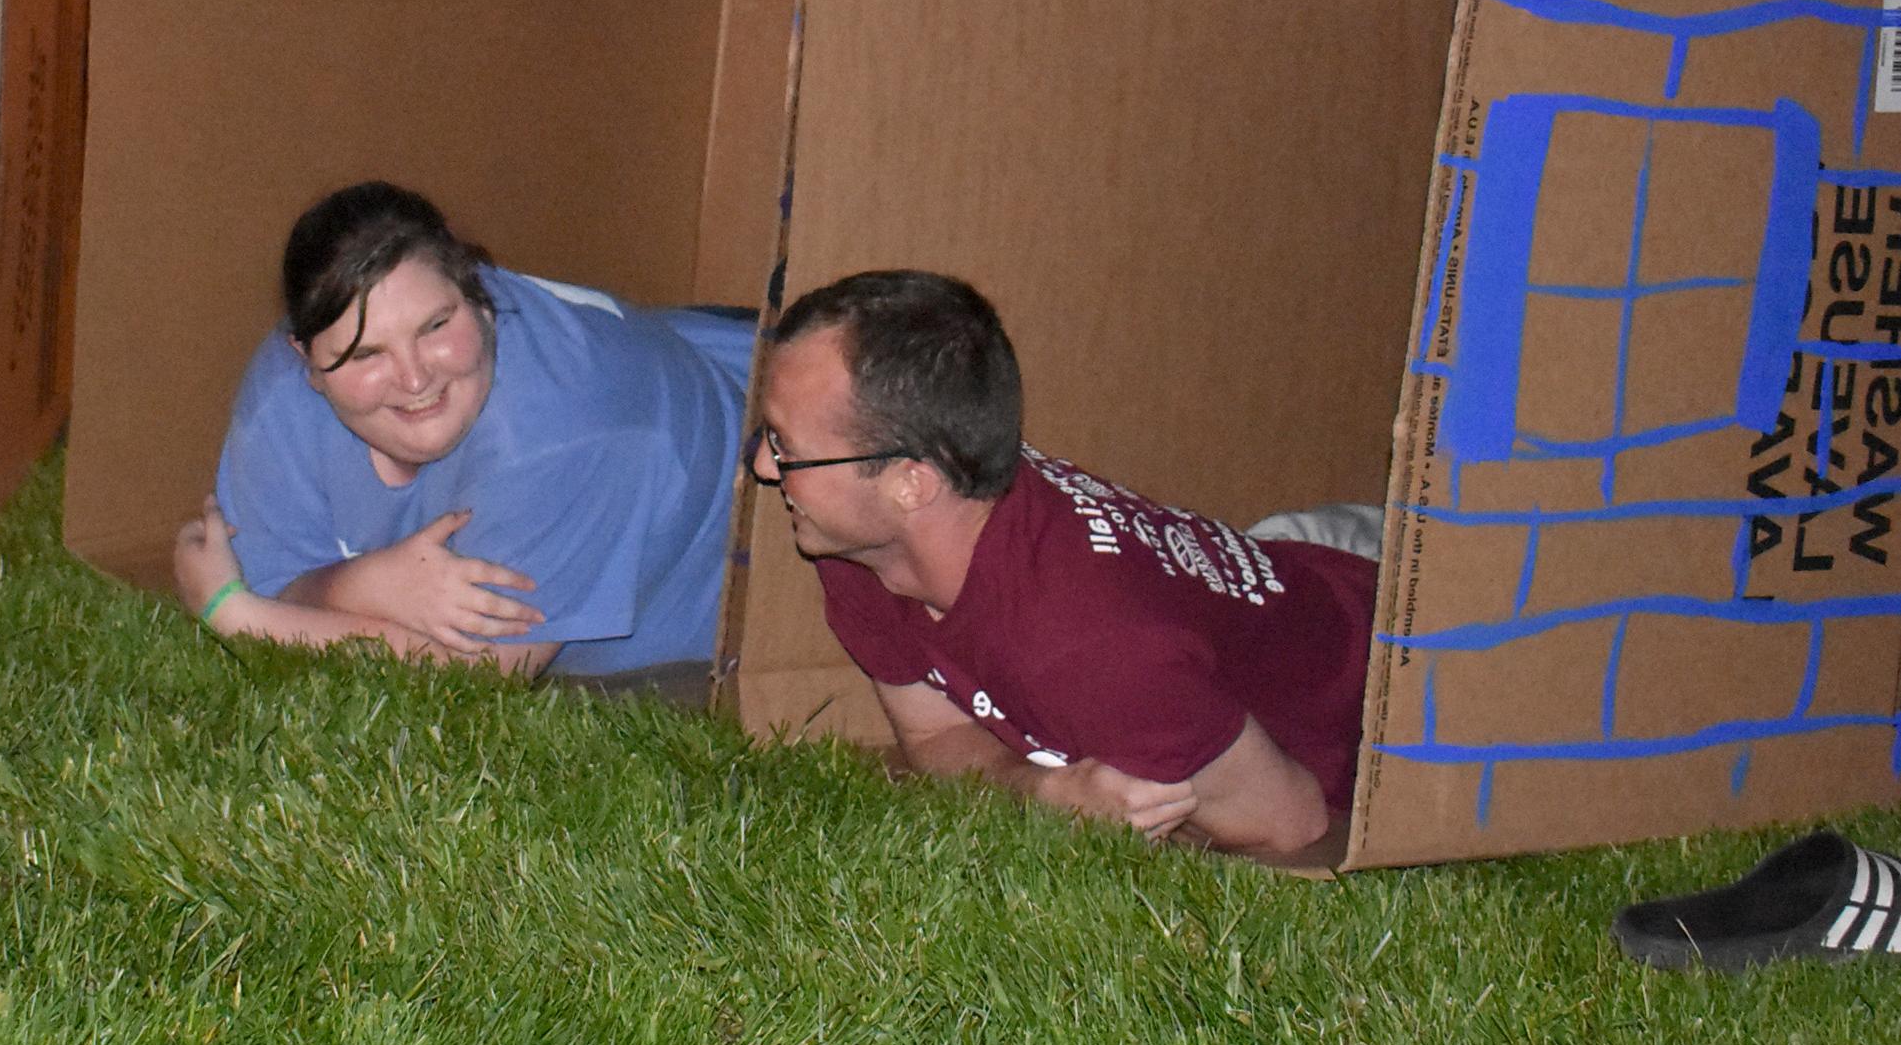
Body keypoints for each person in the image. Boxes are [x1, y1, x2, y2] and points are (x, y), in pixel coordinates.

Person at [756, 269, 1377, 864]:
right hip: (1274, 568)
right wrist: (1046, 793)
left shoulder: (1092, 648)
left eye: (785, 448)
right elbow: (934, 739)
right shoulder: (866, 546)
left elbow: (1291, 823)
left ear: (912, 484)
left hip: (1395, 640)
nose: (763, 467)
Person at [173, 181, 753, 684]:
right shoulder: (284, 393)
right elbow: (270, 577)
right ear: (305, 359)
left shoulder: (572, 432)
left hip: (760, 538)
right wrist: (359, 585)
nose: (414, 376)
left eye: (435, 325)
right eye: (364, 353)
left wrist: (235, 615)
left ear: (476, 291)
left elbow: (471, 676)